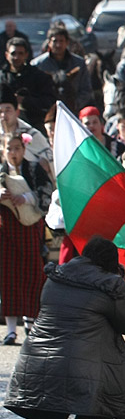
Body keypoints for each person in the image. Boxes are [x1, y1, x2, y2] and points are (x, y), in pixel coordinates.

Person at [4, 236, 125, 419]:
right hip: (79, 367)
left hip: (34, 361)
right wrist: (123, 290)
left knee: (56, 386)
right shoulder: (109, 285)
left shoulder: (55, 275)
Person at [0, 130, 52, 345]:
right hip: (5, 228)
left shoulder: (34, 168)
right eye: (9, 148)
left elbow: (47, 191)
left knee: (32, 272)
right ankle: (11, 330)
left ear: (24, 149)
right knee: (8, 276)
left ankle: (32, 324)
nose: (13, 152)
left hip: (30, 227)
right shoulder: (1, 170)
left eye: (17, 148)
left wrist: (27, 197)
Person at [32, 26, 93, 112]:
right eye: (55, 41)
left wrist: (75, 105)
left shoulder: (79, 63)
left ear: (67, 42)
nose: (58, 45)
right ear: (49, 43)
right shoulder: (38, 64)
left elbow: (86, 90)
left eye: (61, 41)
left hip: (72, 111)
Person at [2, 37, 56, 132]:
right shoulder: (2, 78)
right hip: (4, 125)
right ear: (6, 55)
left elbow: (49, 102)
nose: (16, 57)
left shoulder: (39, 77)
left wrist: (25, 101)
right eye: (13, 54)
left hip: (33, 124)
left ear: (26, 55)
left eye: (20, 53)